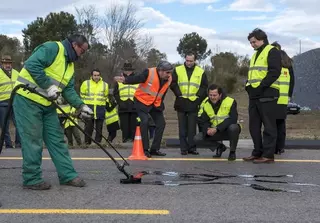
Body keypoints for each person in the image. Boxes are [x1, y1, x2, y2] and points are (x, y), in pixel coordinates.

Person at [13, 34, 93, 190]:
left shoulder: (70, 65)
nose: (81, 55)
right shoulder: (52, 48)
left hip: (48, 105)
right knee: (33, 140)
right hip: (27, 99)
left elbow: (68, 89)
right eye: (82, 51)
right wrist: (48, 85)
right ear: (75, 45)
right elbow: (32, 64)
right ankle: (31, 179)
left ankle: (67, 175)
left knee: (57, 140)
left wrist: (80, 106)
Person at [114, 61, 173, 157]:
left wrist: (160, 105)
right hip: (141, 101)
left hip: (155, 104)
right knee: (144, 122)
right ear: (161, 71)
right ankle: (145, 149)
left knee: (161, 124)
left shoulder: (169, 79)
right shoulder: (149, 72)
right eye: (167, 72)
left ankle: (155, 149)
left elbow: (162, 93)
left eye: (170, 72)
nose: (169, 75)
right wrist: (125, 80)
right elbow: (138, 78)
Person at [243, 28, 282, 164]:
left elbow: (274, 72)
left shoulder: (272, 51)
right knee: (254, 126)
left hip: (267, 93)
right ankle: (257, 152)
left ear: (262, 39)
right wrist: (248, 86)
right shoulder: (255, 54)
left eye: (254, 42)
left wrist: (261, 87)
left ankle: (268, 155)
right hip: (254, 94)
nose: (252, 44)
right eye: (250, 43)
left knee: (269, 126)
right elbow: (253, 74)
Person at [170, 52, 208, 155]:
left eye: (191, 61)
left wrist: (198, 98)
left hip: (193, 102)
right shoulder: (178, 69)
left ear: (195, 60)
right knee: (182, 127)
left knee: (192, 127)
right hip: (181, 101)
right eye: (187, 60)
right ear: (185, 59)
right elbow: (173, 83)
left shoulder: (200, 71)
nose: (189, 63)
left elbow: (204, 86)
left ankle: (192, 148)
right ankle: (183, 148)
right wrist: (179, 94)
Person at [194, 84, 240, 161]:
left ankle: (232, 152)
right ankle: (219, 147)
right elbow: (203, 121)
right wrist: (207, 129)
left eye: (214, 95)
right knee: (197, 138)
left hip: (227, 131)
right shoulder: (206, 104)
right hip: (214, 132)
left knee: (234, 127)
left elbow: (233, 119)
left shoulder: (230, 101)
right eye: (210, 95)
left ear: (220, 95)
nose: (212, 97)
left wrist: (217, 128)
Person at [271, 42, 295, 154]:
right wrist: (289, 96)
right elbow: (292, 82)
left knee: (271, 124)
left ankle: (272, 147)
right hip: (283, 100)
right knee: (281, 125)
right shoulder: (288, 65)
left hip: (272, 99)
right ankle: (280, 148)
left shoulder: (273, 63)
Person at [80, 69, 109, 145]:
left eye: (98, 75)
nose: (96, 77)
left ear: (100, 75)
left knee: (99, 128)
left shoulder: (105, 85)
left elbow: (106, 96)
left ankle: (97, 143)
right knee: (88, 128)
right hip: (89, 108)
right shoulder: (86, 83)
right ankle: (87, 143)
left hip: (100, 108)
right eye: (95, 75)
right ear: (92, 75)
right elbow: (82, 96)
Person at [113, 62, 139, 142]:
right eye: (126, 70)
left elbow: (140, 92)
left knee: (133, 125)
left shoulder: (137, 79)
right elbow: (115, 93)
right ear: (123, 71)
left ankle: (133, 141)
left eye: (129, 70)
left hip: (134, 106)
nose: (127, 72)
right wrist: (120, 102)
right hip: (123, 106)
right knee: (124, 125)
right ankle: (125, 140)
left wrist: (137, 102)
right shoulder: (119, 80)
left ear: (132, 71)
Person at [0, 55, 21, 148]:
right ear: (2, 64)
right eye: (5, 63)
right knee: (4, 126)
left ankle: (18, 144)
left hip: (15, 102)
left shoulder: (16, 73)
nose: (7, 65)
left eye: (9, 63)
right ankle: (8, 145)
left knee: (19, 123)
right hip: (2, 102)